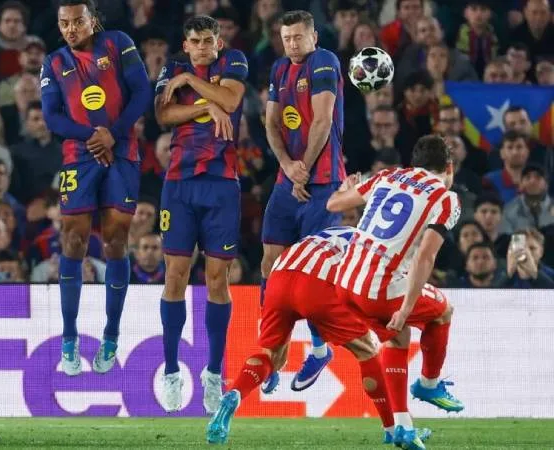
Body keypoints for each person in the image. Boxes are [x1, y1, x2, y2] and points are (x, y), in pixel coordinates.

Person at [205, 226, 431, 447]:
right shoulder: (380, 247)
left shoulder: (345, 231)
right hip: (317, 283)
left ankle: (233, 394)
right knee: (367, 350)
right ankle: (392, 430)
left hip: (280, 276)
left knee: (272, 358)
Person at [328, 134, 465, 449]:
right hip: (379, 287)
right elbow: (425, 256)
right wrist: (405, 309)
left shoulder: (388, 175)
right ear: (448, 166)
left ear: (414, 163)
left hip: (345, 281)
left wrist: (347, 185)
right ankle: (429, 385)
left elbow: (334, 204)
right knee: (443, 311)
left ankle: (402, 426)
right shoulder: (446, 198)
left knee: (398, 337)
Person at [40, 0, 151, 376]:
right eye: (64, 23)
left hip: (122, 151)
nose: (71, 29)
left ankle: (112, 335)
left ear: (93, 20)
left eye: (78, 21)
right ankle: (69, 340)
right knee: (72, 242)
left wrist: (113, 134)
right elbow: (52, 117)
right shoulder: (54, 62)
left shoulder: (118, 43)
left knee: (116, 242)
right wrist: (93, 136)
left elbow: (142, 94)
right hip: (79, 155)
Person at [153, 15, 248, 414]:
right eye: (196, 41)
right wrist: (206, 105)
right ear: (186, 44)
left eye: (210, 40)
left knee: (216, 278)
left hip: (222, 183)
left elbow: (230, 101)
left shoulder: (235, 62)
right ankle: (172, 370)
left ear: (219, 43)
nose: (204, 46)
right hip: (179, 182)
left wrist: (194, 87)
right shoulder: (170, 67)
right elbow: (162, 115)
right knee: (174, 274)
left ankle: (213, 373)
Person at [258, 9, 347, 394]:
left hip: (324, 182)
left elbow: (323, 121)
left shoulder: (324, 61)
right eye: (286, 37)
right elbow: (271, 123)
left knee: (310, 271)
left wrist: (304, 169)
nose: (292, 43)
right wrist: (287, 166)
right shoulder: (279, 69)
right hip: (288, 180)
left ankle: (319, 348)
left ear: (313, 37)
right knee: (270, 263)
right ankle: (270, 354)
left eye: (298, 37)